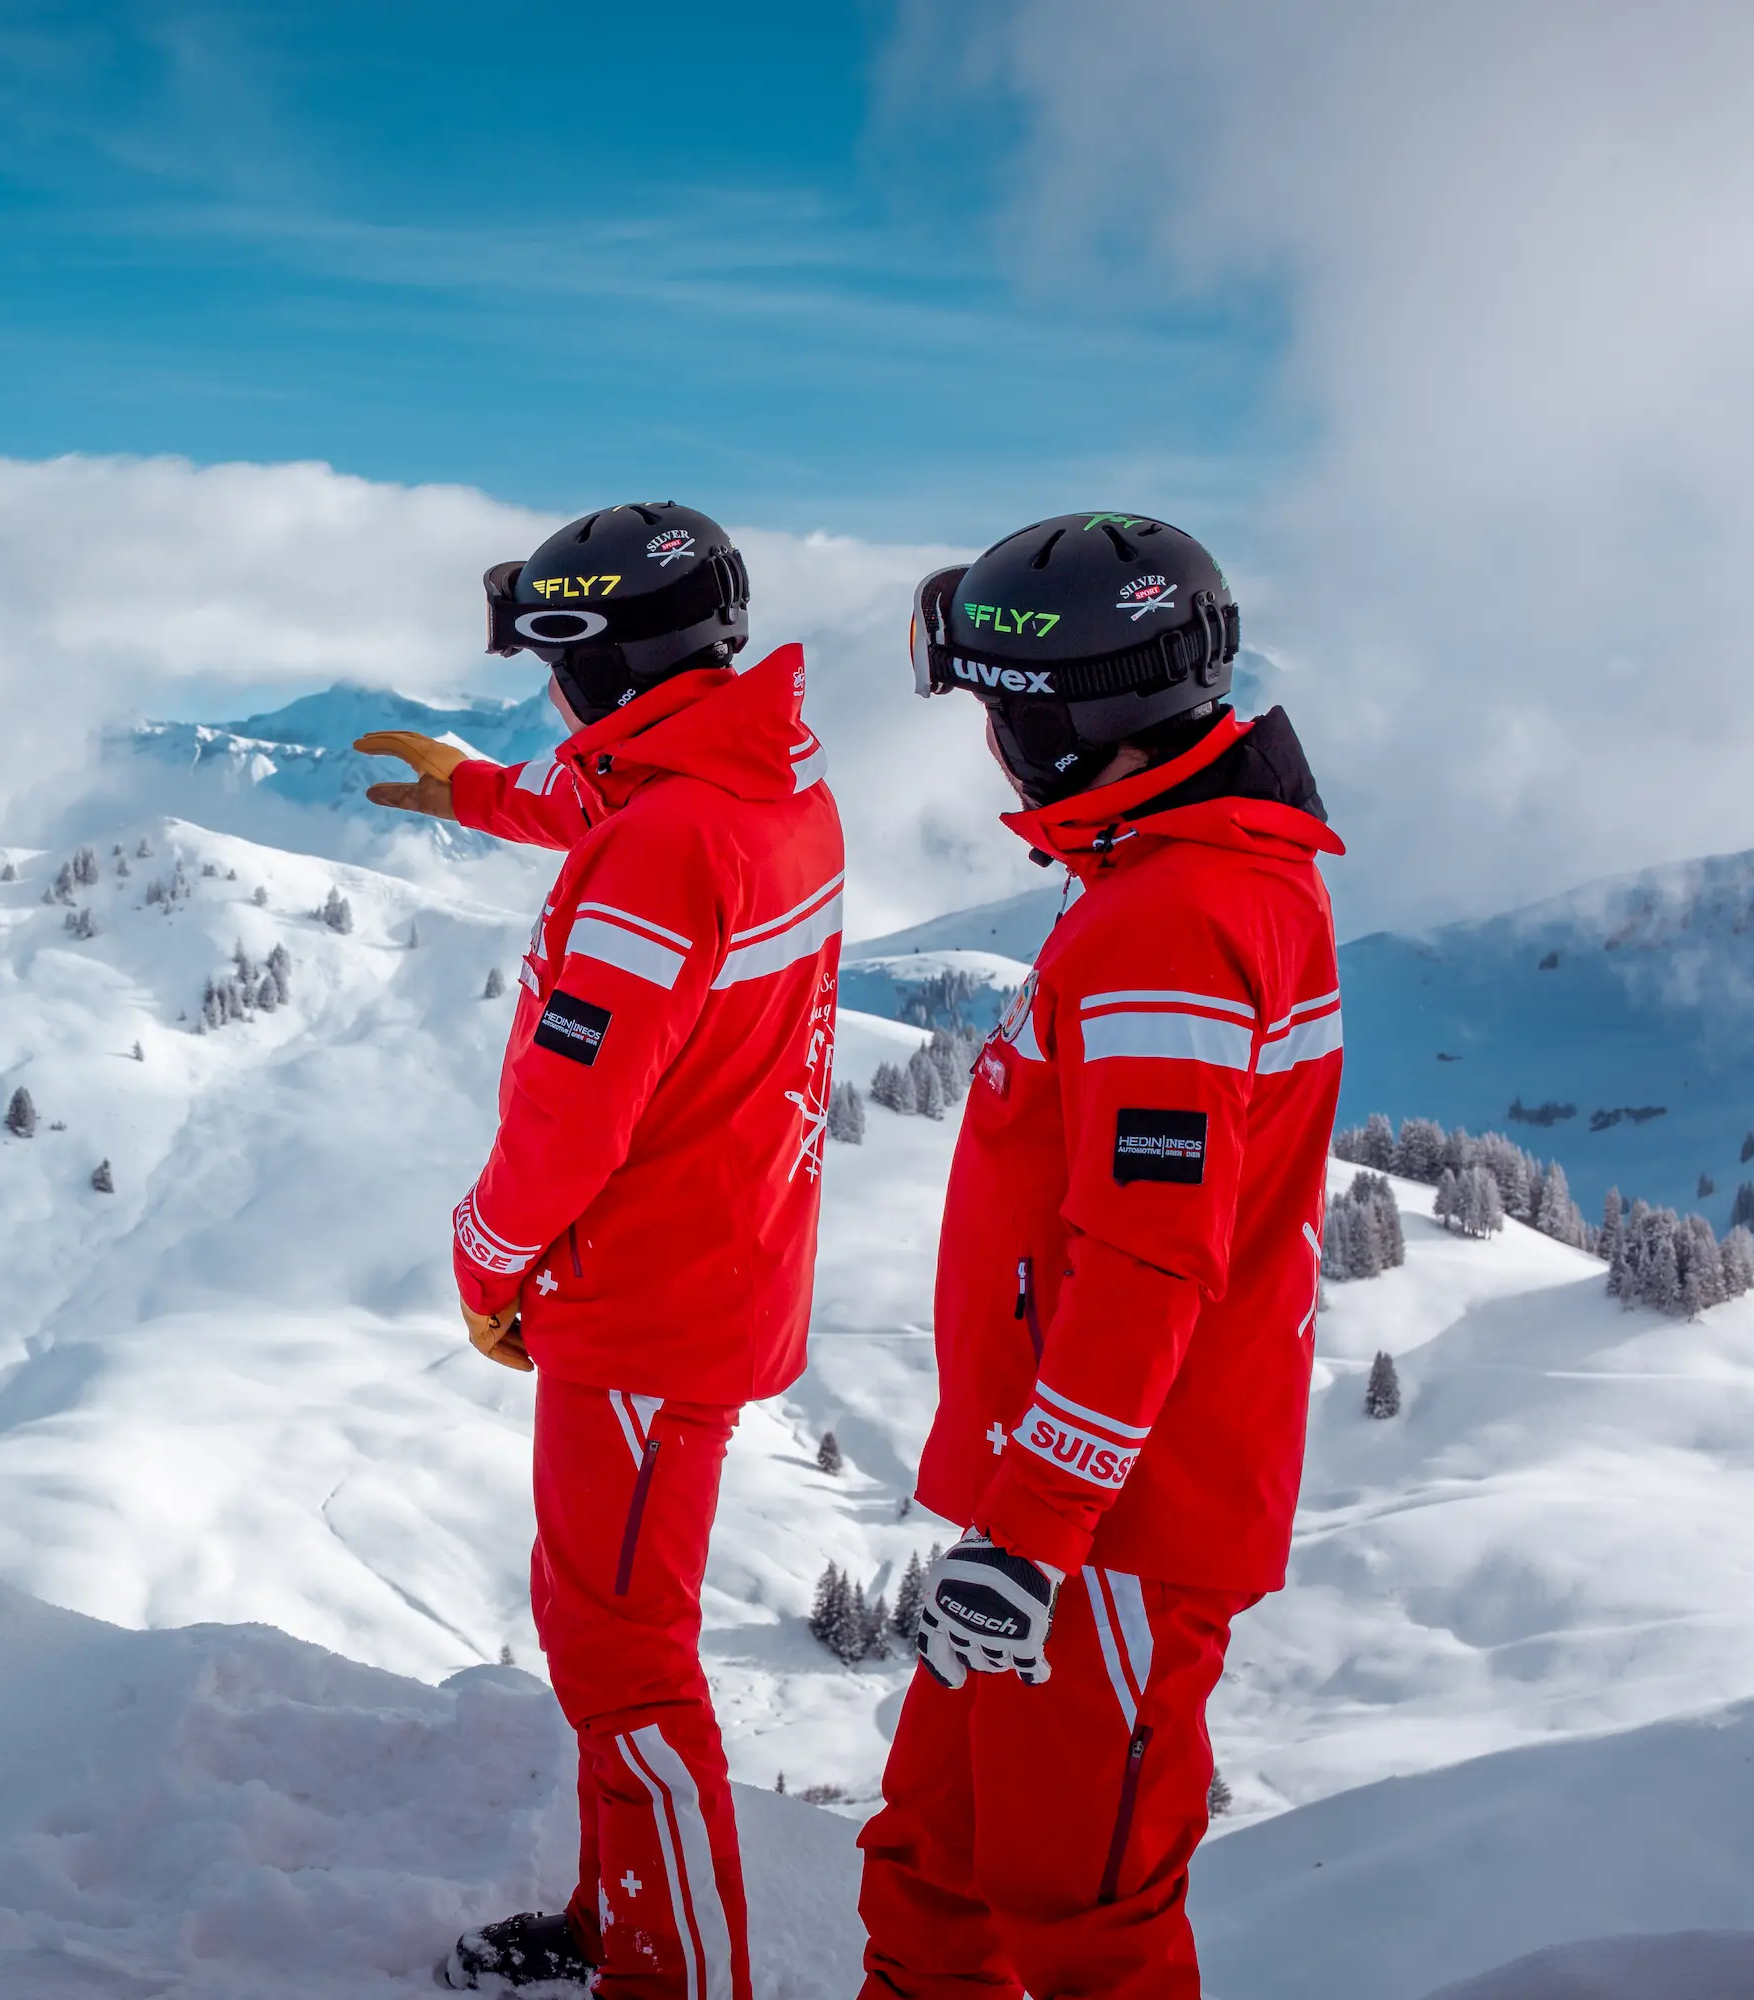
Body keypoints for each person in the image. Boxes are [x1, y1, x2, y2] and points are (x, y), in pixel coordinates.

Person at [362, 503, 848, 1999]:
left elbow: (570, 1123)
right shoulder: (763, 783)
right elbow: (625, 819)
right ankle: (627, 1919)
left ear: (603, 662)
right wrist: (482, 796)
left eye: (551, 663)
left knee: (623, 1654)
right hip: (725, 1262)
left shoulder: (665, 847)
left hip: (641, 1300)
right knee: (605, 1624)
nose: (545, 696)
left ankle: (667, 1971)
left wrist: (485, 1260)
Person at [859, 514, 1344, 1999]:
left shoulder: (1174, 920)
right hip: (1055, 1506)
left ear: (1062, 729)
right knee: (935, 1863)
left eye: (1003, 711)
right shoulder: (1175, 877)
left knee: (1082, 1913)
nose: (995, 747)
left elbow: (1148, 1262)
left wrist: (1038, 1532)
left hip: (1113, 1530)